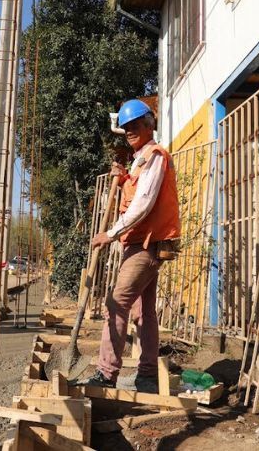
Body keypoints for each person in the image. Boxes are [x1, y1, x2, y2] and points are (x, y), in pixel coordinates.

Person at [78, 99, 180, 393]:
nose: (130, 131)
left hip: (147, 245)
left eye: (135, 125)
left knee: (117, 303)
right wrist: (122, 179)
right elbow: (135, 193)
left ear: (149, 125)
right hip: (137, 243)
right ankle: (147, 375)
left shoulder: (156, 156)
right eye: (126, 128)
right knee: (144, 312)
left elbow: (144, 204)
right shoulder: (139, 159)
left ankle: (106, 372)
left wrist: (110, 233)